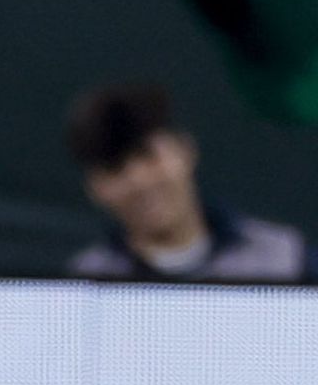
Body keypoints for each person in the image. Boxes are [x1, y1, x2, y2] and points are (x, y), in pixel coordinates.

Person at [64, 82, 318, 281]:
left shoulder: (285, 260)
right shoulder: (83, 284)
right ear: (94, 188)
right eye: (114, 168)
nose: (138, 180)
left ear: (185, 150)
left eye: (148, 155)